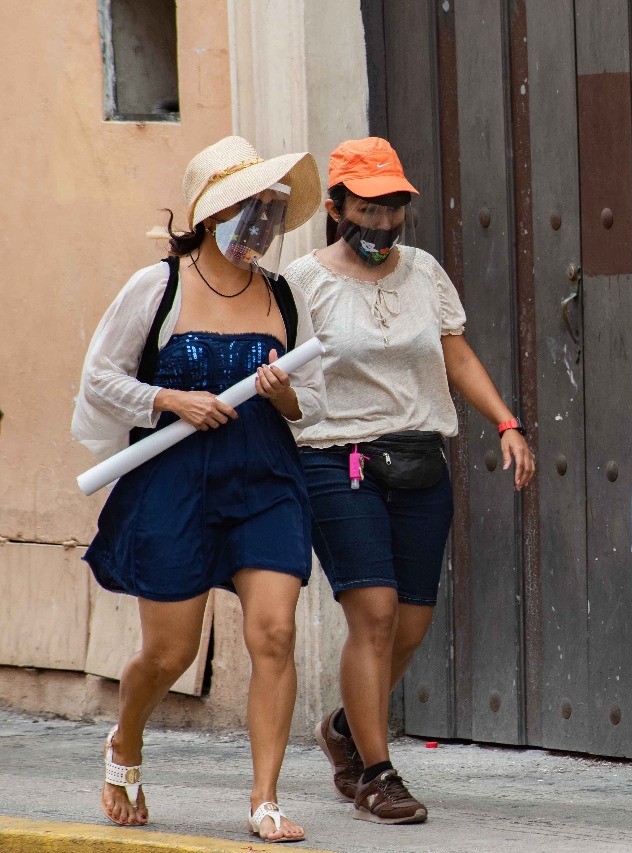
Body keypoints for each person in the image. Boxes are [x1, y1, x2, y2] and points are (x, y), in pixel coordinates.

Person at [72, 136, 326, 842]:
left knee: (273, 631)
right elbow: (101, 378)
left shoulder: (283, 293)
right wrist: (173, 399)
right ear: (215, 212)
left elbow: (317, 402)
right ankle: (125, 740)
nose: (263, 223)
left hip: (265, 476)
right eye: (251, 207)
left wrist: (281, 397)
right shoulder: (158, 286)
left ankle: (265, 798)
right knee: (170, 652)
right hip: (175, 482)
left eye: (271, 209)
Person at [285, 137, 535, 825]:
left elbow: (453, 351)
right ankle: (376, 771)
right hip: (339, 460)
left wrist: (506, 421)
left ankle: (344, 728)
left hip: (421, 459)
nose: (383, 222)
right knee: (375, 614)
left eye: (393, 207)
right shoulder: (303, 281)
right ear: (336, 207)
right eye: (367, 207)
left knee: (412, 623)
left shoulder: (424, 271)